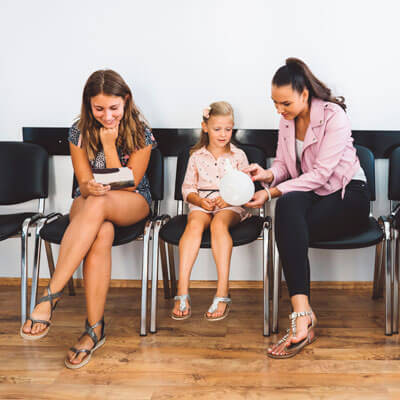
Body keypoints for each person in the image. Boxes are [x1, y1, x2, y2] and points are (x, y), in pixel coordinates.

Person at [20, 69, 156, 369]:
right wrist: (89, 186)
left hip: (131, 201)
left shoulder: (141, 133)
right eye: (99, 109)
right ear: (88, 105)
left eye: (113, 108)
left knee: (102, 201)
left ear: (127, 101)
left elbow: (128, 183)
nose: (107, 116)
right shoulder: (77, 131)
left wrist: (109, 146)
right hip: (90, 202)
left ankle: (50, 295)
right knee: (102, 229)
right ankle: (94, 329)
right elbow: (82, 181)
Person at [244, 58, 370, 358]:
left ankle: (302, 320)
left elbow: (322, 175)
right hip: (312, 194)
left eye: (285, 102)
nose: (279, 110)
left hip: (348, 196)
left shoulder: (333, 115)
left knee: (287, 220)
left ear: (305, 95)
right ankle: (303, 314)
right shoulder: (286, 121)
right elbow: (286, 167)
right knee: (287, 208)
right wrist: (266, 175)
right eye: (275, 103)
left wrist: (270, 192)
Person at [171, 101, 250, 321]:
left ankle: (222, 291)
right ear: (205, 127)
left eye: (228, 129)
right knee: (195, 223)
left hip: (229, 203)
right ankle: (182, 290)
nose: (223, 134)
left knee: (219, 224)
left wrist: (228, 198)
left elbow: (246, 188)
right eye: (217, 129)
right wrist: (199, 201)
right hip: (202, 202)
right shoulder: (196, 156)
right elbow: (188, 188)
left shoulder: (238, 156)